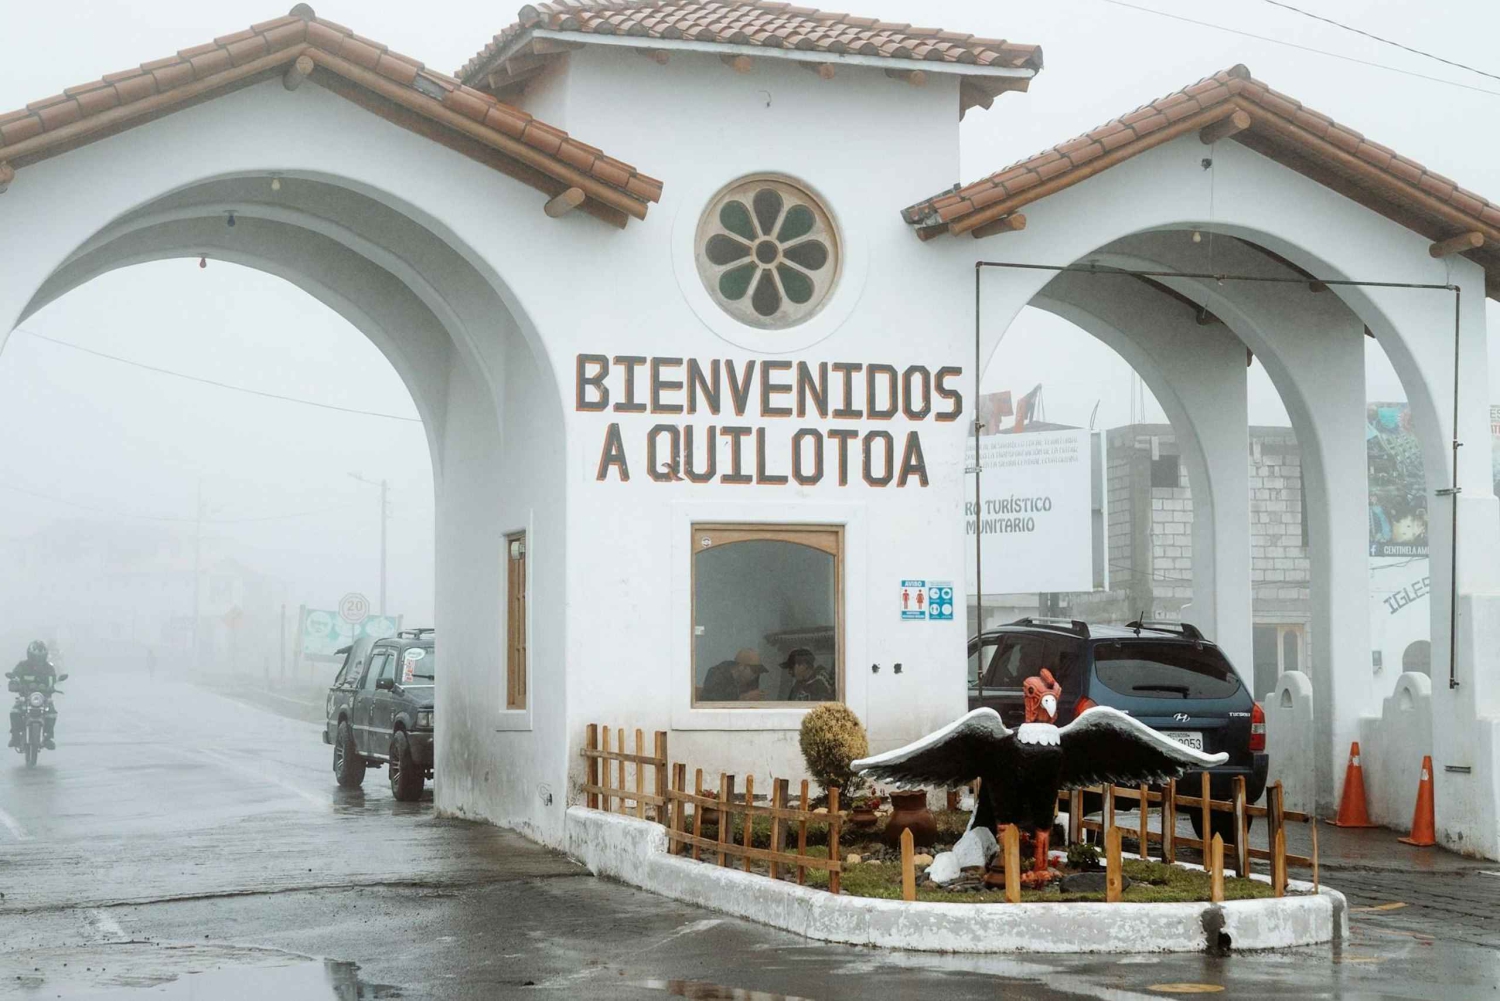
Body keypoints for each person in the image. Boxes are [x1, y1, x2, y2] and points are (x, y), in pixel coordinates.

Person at [8, 640, 58, 750]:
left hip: (44, 698)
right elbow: (14, 677)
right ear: (30, 655)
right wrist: (13, 684)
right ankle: (15, 736)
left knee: (52, 713)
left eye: (40, 657)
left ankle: (48, 737)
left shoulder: (49, 667)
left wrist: (51, 688)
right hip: (24, 697)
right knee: (14, 712)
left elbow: (52, 680)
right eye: (35, 657)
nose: (38, 660)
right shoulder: (22, 666)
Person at [699, 648, 768, 702]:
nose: (756, 675)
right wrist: (743, 698)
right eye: (754, 671)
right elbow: (710, 702)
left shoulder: (752, 679)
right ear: (741, 667)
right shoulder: (716, 674)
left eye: (759, 671)